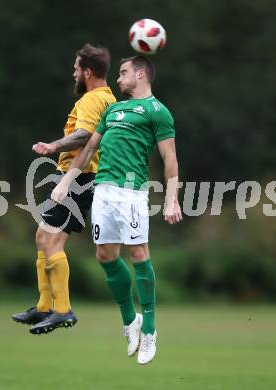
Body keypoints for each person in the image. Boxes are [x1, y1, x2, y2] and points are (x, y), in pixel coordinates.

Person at [51, 55, 182, 364]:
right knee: (105, 256)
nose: (118, 79)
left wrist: (172, 198)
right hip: (104, 192)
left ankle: (149, 330)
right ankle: (130, 321)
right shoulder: (112, 110)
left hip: (132, 193)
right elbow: (89, 149)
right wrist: (66, 181)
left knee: (138, 254)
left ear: (141, 74)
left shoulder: (157, 112)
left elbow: (170, 159)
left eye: (123, 73)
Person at [12, 43, 116, 335]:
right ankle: (45, 306)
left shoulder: (93, 100)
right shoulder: (105, 98)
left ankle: (62, 310)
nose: (73, 74)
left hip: (79, 176)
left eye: (76, 69)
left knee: (53, 242)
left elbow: (84, 136)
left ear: (88, 72)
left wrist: (54, 145)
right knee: (43, 236)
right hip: (75, 175)